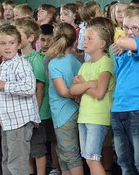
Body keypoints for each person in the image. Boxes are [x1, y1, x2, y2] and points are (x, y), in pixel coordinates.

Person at [110, 5, 139, 174]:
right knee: (123, 160)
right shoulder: (120, 49)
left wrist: (122, 42)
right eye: (126, 27)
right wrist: (122, 44)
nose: (129, 32)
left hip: (138, 107)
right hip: (118, 107)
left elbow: (122, 41)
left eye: (134, 28)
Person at [0, 24, 40, 175]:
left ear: (18, 45)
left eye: (11, 43)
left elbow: (29, 88)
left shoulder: (21, 64)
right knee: (7, 160)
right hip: (7, 122)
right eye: (3, 43)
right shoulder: (4, 64)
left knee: (17, 164)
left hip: (19, 121)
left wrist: (3, 85)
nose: (7, 47)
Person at [70, 20, 115, 175]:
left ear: (102, 43)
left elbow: (99, 93)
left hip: (98, 117)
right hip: (84, 117)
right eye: (84, 37)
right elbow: (73, 90)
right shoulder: (85, 65)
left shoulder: (106, 62)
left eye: (90, 38)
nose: (85, 41)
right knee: (89, 158)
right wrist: (89, 83)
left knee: (92, 159)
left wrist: (83, 86)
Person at [46, 23, 84, 175]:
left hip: (63, 114)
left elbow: (63, 91)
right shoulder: (78, 61)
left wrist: (73, 95)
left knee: (69, 154)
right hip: (74, 111)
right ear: (75, 41)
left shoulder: (54, 63)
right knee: (65, 154)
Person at [14, 18, 49, 175]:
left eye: (19, 36)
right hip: (22, 113)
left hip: (35, 114)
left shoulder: (35, 59)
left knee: (38, 148)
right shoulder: (18, 59)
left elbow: (39, 87)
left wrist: (35, 114)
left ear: (30, 38)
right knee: (27, 148)